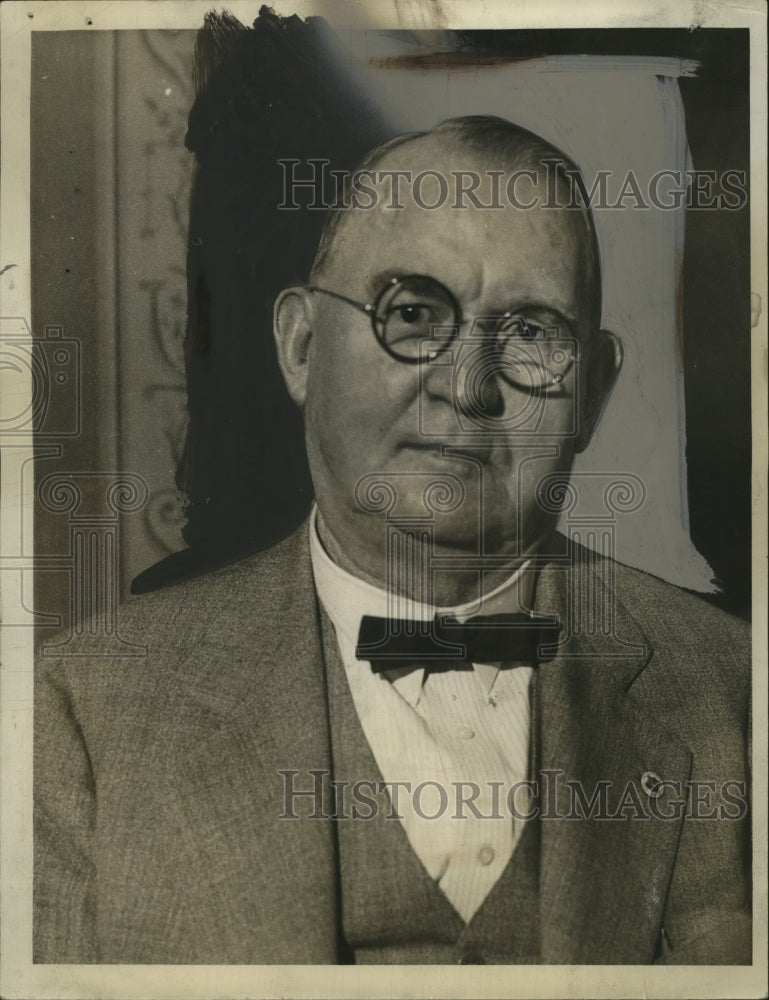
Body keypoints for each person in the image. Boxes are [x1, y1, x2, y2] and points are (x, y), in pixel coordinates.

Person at [34, 116, 751, 965]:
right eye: (411, 313)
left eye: (528, 332)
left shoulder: (737, 693)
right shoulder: (81, 710)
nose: (466, 388)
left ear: (590, 392)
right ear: (301, 347)